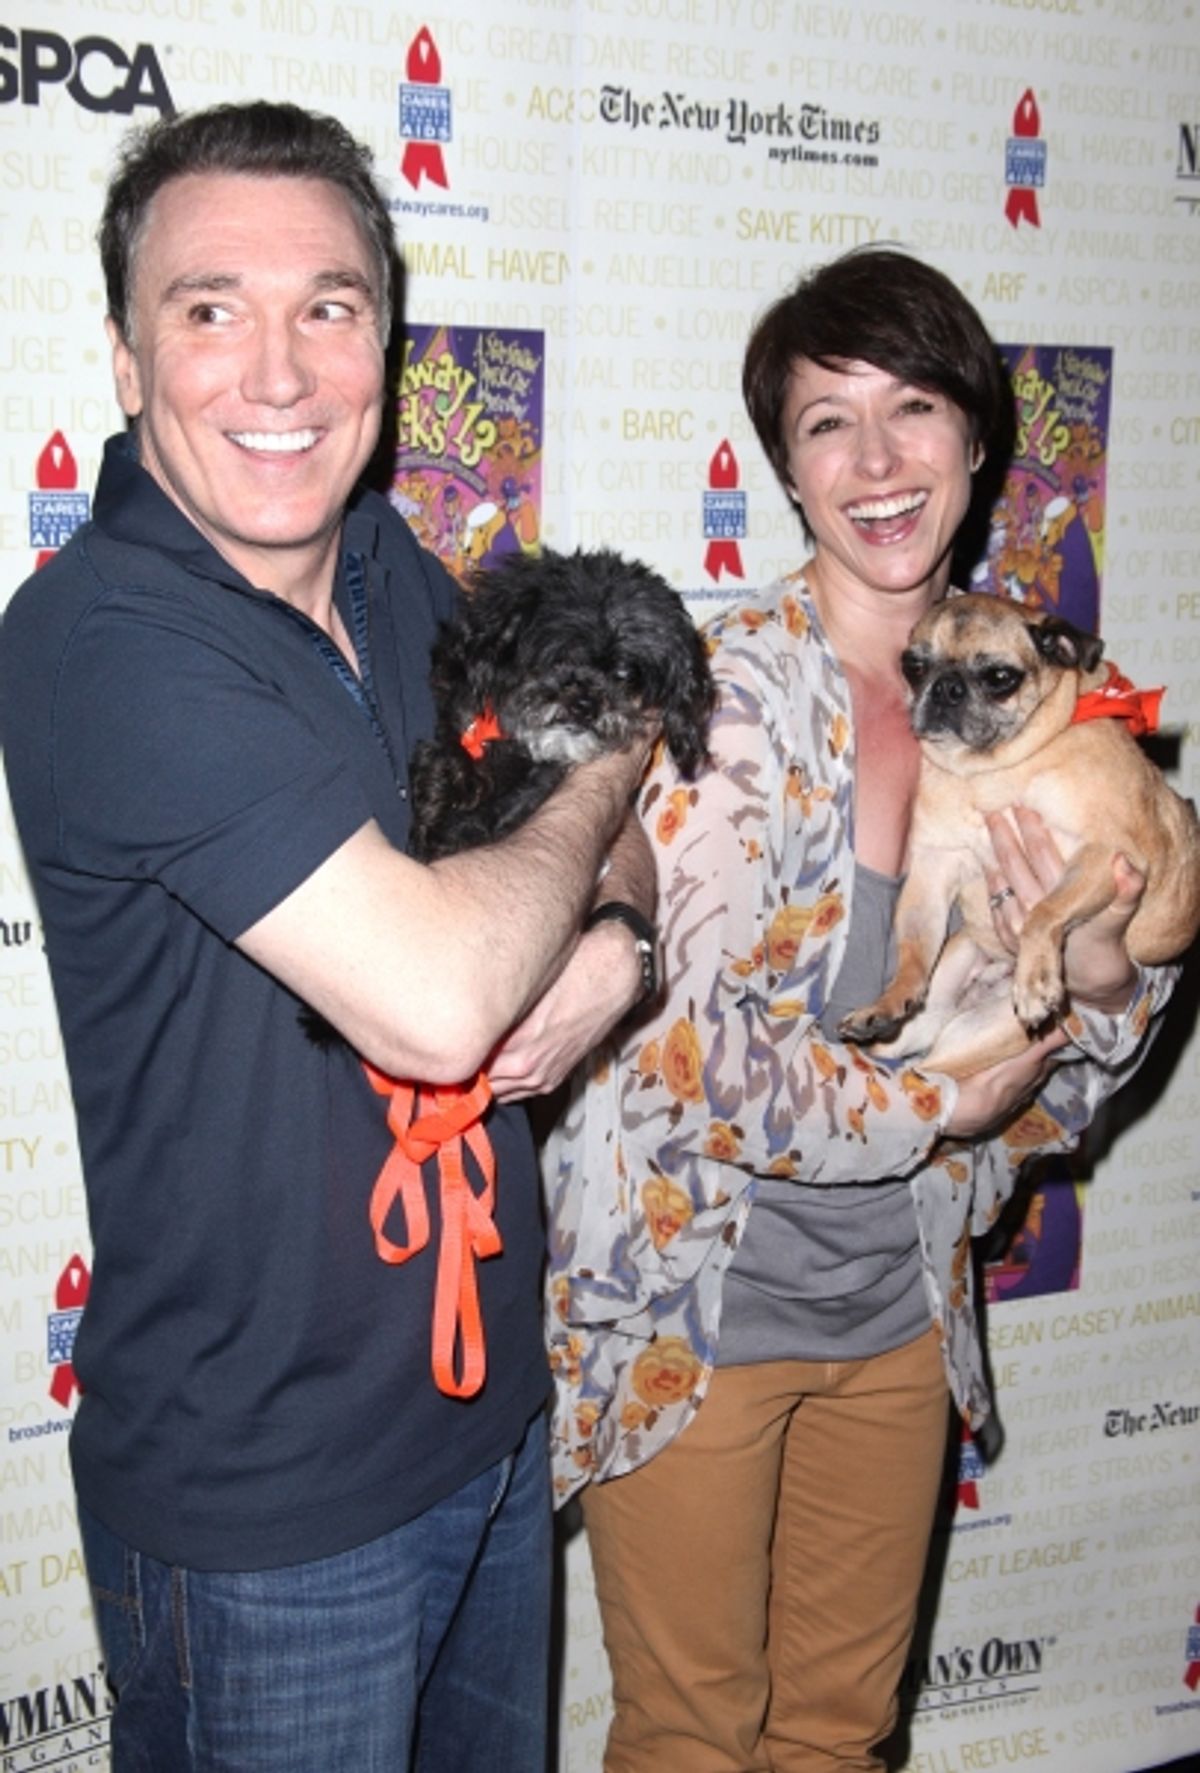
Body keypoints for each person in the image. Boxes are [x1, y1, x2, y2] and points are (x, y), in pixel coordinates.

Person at [0, 101, 656, 1772]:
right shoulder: (97, 639)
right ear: (128, 362)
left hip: (488, 1425)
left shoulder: (389, 565)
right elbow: (444, 994)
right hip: (266, 1520)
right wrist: (612, 766)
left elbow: (609, 841)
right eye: (211, 309)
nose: (280, 373)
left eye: (330, 307)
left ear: (388, 343)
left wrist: (615, 948)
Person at [544, 247, 1173, 1773]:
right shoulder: (718, 696)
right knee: (691, 1739)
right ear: (785, 469)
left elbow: (1091, 1044)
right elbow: (684, 1054)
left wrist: (1098, 974)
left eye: (915, 409)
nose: (880, 461)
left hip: (898, 1309)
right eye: (830, 423)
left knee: (838, 1736)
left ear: (978, 438)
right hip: (698, 1312)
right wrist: (940, 1102)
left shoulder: (1037, 693)